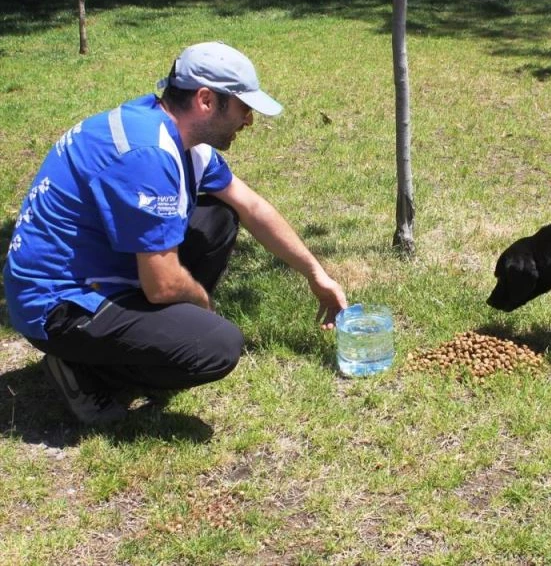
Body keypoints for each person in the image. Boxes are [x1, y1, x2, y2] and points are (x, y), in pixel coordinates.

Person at [4, 41, 348, 425]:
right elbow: (162, 287)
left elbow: (252, 206)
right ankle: (81, 369)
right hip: (58, 308)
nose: (248, 120)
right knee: (217, 346)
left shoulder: (171, 131)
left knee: (219, 215)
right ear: (205, 100)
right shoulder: (147, 153)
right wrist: (202, 304)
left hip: (95, 273)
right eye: (243, 107)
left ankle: (138, 339)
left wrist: (315, 273)